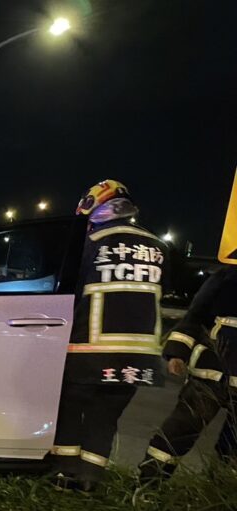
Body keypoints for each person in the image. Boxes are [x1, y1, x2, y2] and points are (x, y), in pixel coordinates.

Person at [50, 180, 168, 490]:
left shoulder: (91, 243)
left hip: (90, 350)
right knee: (106, 416)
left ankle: (65, 476)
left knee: (71, 410)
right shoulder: (156, 246)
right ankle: (90, 480)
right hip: (140, 354)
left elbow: (69, 293)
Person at [139, 264, 237, 478]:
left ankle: (218, 496)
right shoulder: (227, 277)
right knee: (179, 432)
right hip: (210, 374)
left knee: (232, 448)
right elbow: (194, 316)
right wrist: (177, 353)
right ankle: (149, 484)